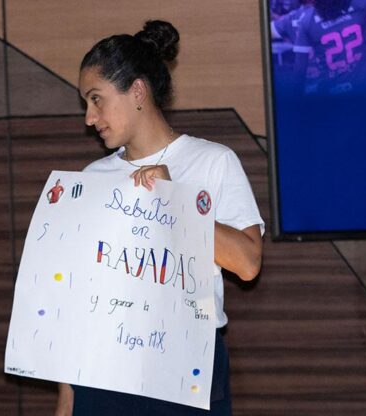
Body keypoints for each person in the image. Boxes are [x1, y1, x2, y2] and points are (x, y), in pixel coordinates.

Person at [55, 20, 264, 415]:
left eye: (97, 99)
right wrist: (68, 397)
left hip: (187, 363)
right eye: (86, 102)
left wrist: (174, 201)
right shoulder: (91, 179)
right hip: (103, 370)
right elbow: (77, 298)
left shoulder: (212, 161)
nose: (89, 116)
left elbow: (249, 263)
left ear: (137, 91)